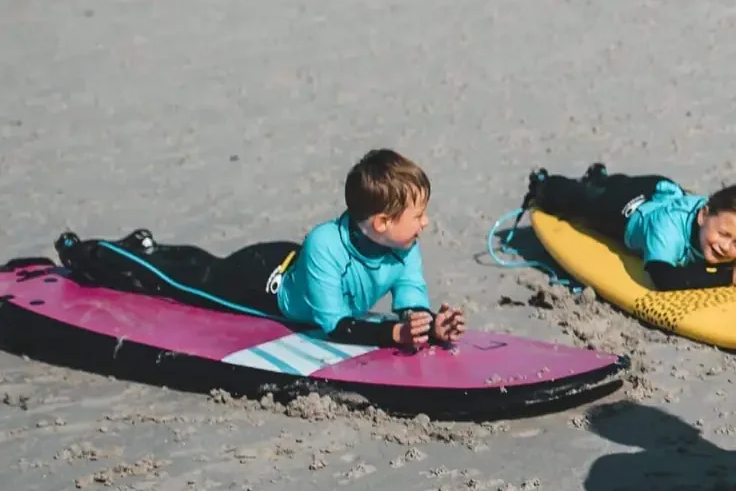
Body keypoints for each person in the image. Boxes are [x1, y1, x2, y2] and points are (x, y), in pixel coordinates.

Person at [55, 149, 464, 349]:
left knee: (204, 266)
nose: (425, 222)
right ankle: (93, 254)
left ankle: (149, 245)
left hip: (292, 262)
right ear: (382, 223)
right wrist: (395, 334)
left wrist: (430, 325)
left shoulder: (404, 244)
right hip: (261, 284)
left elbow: (410, 296)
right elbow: (333, 326)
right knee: (183, 284)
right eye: (418, 214)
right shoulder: (327, 244)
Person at [522, 165, 736, 290]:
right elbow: (663, 279)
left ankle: (600, 177)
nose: (726, 246)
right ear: (703, 216)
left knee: (608, 185)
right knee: (584, 200)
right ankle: (543, 185)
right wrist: (733, 276)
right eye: (723, 234)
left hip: (666, 193)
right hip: (627, 210)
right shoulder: (668, 233)